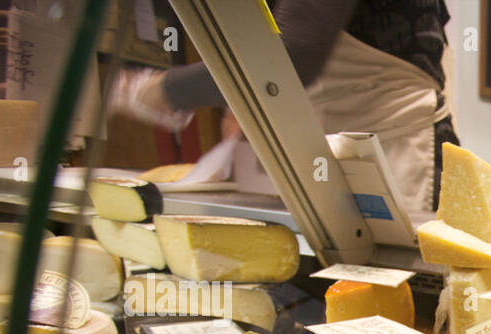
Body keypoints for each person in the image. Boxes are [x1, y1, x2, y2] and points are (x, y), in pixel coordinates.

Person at [111, 0, 457, 211]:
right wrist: (246, 105)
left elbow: (294, 56)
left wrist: (165, 89)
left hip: (398, 155)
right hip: (313, 156)